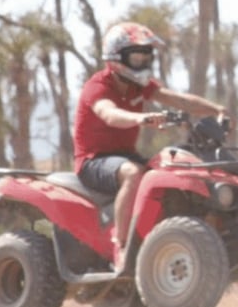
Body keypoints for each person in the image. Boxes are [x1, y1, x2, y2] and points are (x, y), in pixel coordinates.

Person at [73, 21, 228, 275]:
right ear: (117, 57)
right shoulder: (98, 86)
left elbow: (177, 99)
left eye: (146, 56)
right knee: (133, 173)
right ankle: (120, 246)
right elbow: (109, 114)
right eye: (136, 56)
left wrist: (215, 109)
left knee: (168, 169)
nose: (142, 61)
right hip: (93, 160)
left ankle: (157, 241)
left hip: (125, 155)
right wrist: (140, 119)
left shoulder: (140, 86)